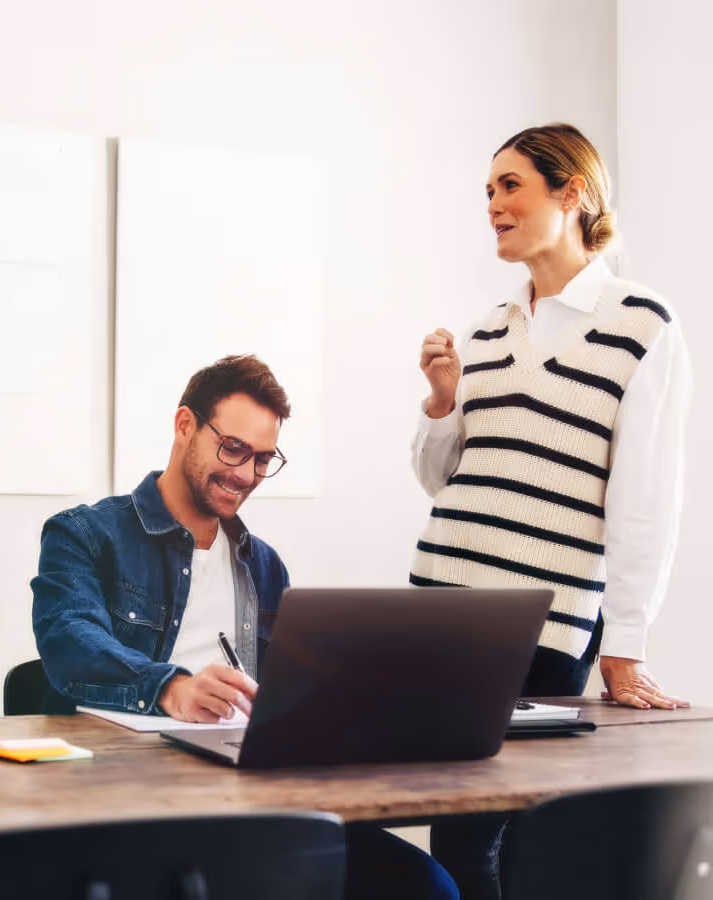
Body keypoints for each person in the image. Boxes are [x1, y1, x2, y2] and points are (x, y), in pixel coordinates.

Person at [34, 354, 459, 900]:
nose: (244, 474)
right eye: (233, 449)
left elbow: (293, 696)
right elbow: (68, 637)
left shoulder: (263, 565)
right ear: (184, 425)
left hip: (246, 801)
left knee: (426, 886)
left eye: (262, 459)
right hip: (123, 802)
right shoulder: (85, 534)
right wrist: (172, 687)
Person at [411, 123, 692, 897]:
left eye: (511, 186)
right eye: (489, 192)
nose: (494, 205)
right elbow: (443, 479)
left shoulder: (642, 327)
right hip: (438, 611)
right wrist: (442, 400)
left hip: (541, 625)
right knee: (451, 828)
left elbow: (647, 500)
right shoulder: (484, 333)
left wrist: (624, 642)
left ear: (572, 193)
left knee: (505, 836)